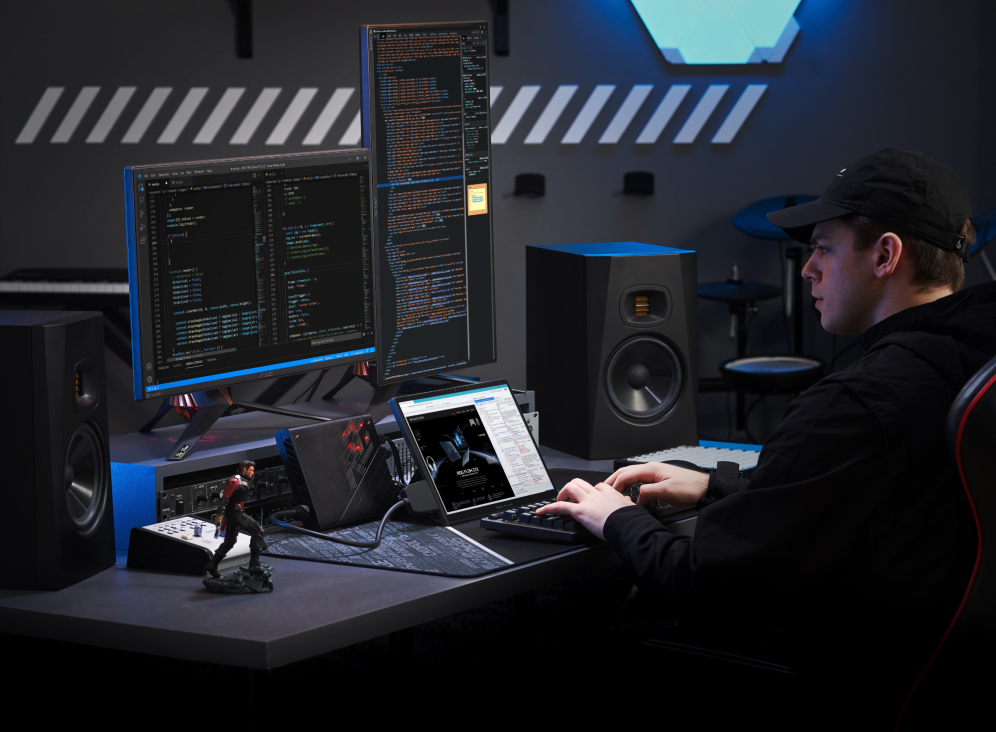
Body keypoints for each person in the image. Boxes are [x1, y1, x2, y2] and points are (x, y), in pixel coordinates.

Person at [537, 148, 996, 719]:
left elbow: (703, 587)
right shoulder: (973, 359)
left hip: (852, 674)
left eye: (824, 249)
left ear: (885, 255)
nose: (807, 270)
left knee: (585, 652)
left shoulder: (854, 403)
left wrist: (615, 517)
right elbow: (866, 499)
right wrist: (714, 488)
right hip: (935, 659)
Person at [204, 459, 267, 578]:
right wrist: (220, 514)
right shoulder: (235, 481)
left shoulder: (245, 481)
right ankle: (254, 563)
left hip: (236, 512)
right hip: (234, 513)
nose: (252, 473)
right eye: (251, 470)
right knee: (258, 530)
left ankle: (212, 565)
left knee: (229, 542)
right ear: (244, 469)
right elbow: (225, 498)